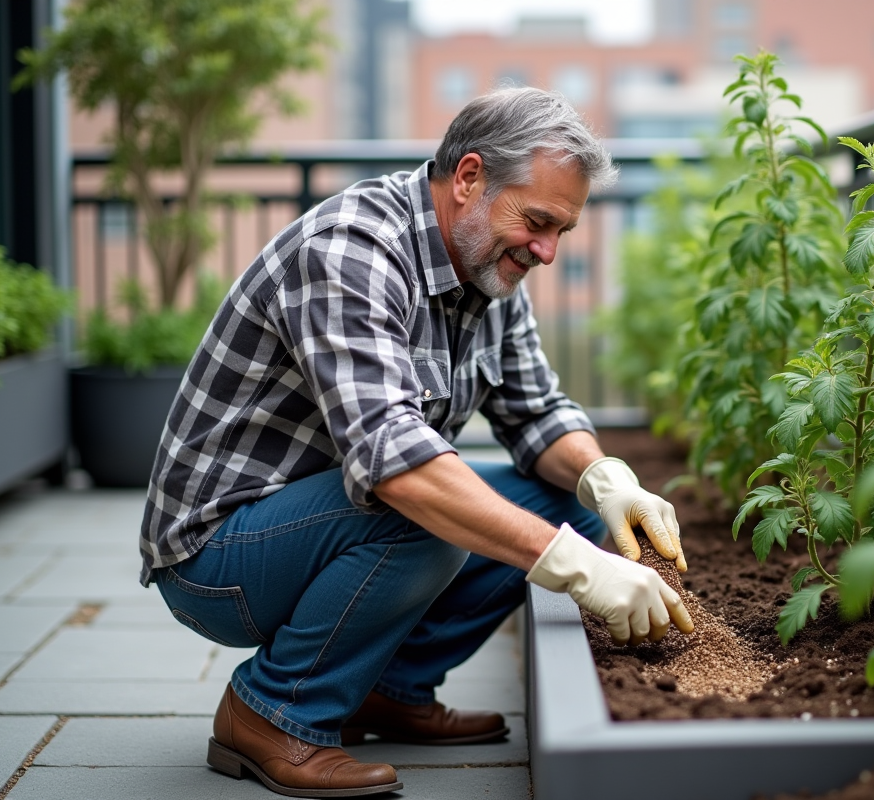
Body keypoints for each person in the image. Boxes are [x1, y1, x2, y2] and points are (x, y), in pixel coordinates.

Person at [138, 87, 693, 798]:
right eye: (540, 222)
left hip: (324, 519)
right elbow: (395, 461)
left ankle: (385, 688)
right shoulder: (350, 251)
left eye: (563, 232)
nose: (548, 252)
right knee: (425, 512)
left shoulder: (490, 271)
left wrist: (608, 480)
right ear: (468, 179)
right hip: (217, 557)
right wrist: (578, 568)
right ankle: (274, 713)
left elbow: (537, 413)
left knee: (567, 502)